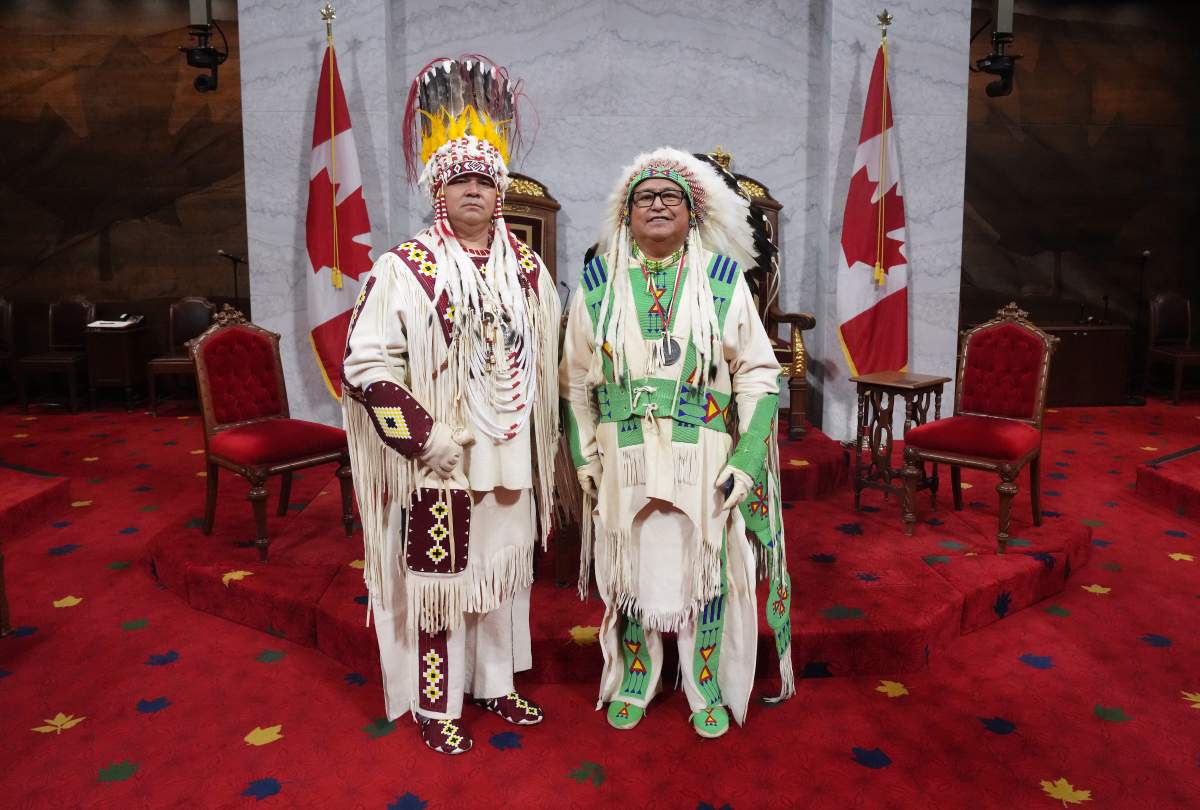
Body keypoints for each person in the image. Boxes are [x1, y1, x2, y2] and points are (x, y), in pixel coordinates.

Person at [342, 56, 559, 755]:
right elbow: (365, 364)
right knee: (440, 587)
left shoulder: (528, 271)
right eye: (459, 178)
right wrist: (422, 436)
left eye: (483, 180)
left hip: (511, 455)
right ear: (439, 189)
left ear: (501, 192)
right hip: (441, 462)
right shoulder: (405, 268)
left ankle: (497, 683)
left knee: (502, 578)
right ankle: (437, 704)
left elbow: (550, 363)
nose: (472, 189)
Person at [560, 148, 794, 739]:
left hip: (702, 458)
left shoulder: (722, 282)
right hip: (625, 456)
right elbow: (572, 381)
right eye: (646, 197)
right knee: (630, 565)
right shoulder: (596, 284)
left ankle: (704, 683)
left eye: (671, 197)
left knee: (705, 566)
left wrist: (746, 459)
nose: (658, 204)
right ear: (626, 213)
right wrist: (583, 453)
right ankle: (637, 676)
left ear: (691, 213)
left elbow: (759, 376)